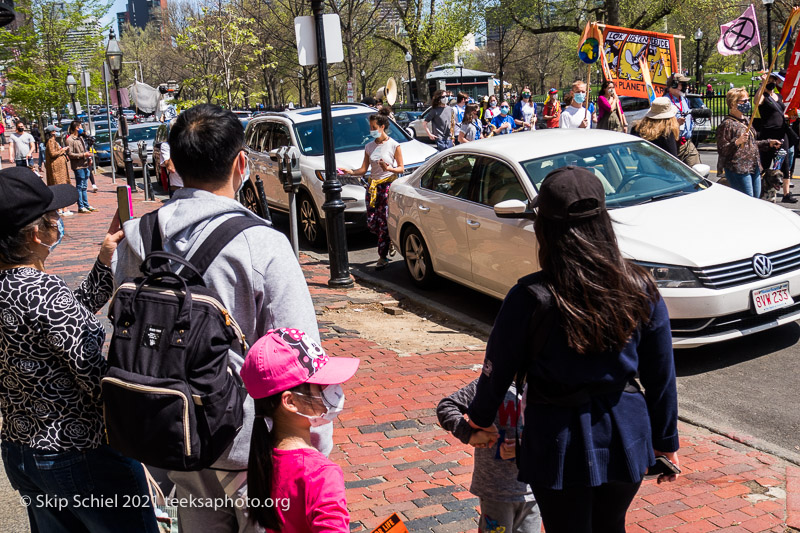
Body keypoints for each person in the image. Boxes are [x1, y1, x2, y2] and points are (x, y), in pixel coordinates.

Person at [112, 104, 320, 533]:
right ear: (240, 162)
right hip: (248, 445)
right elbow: (302, 356)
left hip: (172, 432)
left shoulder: (138, 236)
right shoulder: (261, 243)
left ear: (173, 165)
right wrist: (312, 446)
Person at [465, 166, 679, 533]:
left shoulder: (530, 296)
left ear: (545, 228)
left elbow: (496, 370)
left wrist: (479, 420)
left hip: (556, 435)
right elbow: (661, 375)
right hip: (625, 427)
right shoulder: (640, 285)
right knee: (612, 524)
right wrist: (666, 441)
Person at [0, 167, 159, 533]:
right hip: (80, 454)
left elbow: (68, 315)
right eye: (54, 217)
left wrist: (105, 260)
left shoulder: (30, 292)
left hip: (22, 451)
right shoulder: (47, 295)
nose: (59, 222)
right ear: (36, 234)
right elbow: (95, 379)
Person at [240, 328, 359, 532]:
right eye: (320, 385)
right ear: (290, 401)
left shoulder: (264, 458)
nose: (333, 388)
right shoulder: (322, 474)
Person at [438, 380, 541, 533]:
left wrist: (525, 448)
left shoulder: (545, 383)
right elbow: (446, 406)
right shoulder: (488, 383)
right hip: (495, 490)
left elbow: (559, 431)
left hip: (534, 492)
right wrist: (469, 435)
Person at [339, 110, 403, 270]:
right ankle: (388, 241)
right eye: (370, 127)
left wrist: (388, 168)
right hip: (373, 188)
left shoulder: (394, 145)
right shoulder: (369, 146)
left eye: (374, 127)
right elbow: (363, 168)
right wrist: (351, 172)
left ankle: (382, 256)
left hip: (387, 187)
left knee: (383, 222)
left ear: (382, 127)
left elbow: (400, 168)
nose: (371, 130)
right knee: (372, 222)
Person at [718, 87, 781, 198]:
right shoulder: (727, 124)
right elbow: (722, 149)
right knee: (747, 198)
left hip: (753, 165)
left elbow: (751, 143)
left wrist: (768, 143)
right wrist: (737, 142)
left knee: (756, 198)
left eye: (748, 100)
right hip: (738, 168)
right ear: (733, 104)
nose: (747, 103)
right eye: (744, 101)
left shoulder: (747, 120)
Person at [757, 71, 797, 203]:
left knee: (784, 164)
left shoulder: (778, 96)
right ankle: (760, 191)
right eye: (769, 81)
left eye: (773, 81)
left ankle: (786, 194)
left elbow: (779, 113)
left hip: (781, 134)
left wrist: (789, 116)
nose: (772, 83)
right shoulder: (762, 95)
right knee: (765, 163)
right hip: (768, 134)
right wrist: (763, 84)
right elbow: (757, 102)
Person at [666, 73, 701, 167]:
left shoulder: (684, 99)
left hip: (686, 142)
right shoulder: (665, 101)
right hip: (672, 144)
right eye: (683, 84)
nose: (686, 87)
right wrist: (675, 124)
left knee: (697, 169)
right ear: (674, 85)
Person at [66, 121, 96, 213]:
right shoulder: (70, 140)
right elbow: (70, 154)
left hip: (85, 164)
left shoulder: (80, 138)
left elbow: (85, 149)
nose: (82, 128)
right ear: (76, 128)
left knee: (84, 186)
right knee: (80, 186)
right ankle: (81, 206)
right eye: (81, 127)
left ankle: (86, 205)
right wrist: (83, 155)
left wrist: (89, 157)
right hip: (78, 166)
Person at [44, 125, 74, 216]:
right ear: (52, 132)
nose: (57, 133)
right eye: (55, 131)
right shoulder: (51, 141)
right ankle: (61, 208)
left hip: (60, 168)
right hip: (56, 170)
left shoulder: (53, 141)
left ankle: (62, 208)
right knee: (59, 188)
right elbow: (53, 154)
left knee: (61, 187)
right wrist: (63, 150)